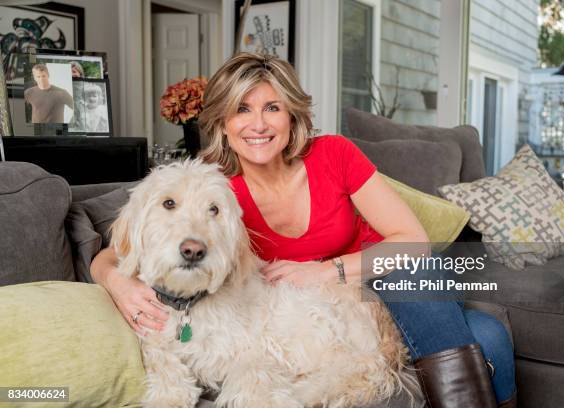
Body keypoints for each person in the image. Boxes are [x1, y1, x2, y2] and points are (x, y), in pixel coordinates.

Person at [91, 53, 516, 408]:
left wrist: (325, 271)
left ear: (292, 115)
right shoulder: (213, 188)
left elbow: (414, 242)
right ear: (222, 122)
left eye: (272, 107)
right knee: (489, 335)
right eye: (242, 109)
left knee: (416, 270)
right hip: (322, 311)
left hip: (384, 276)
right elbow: (129, 241)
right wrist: (115, 281)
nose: (258, 124)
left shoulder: (334, 153)